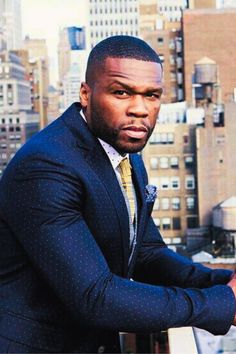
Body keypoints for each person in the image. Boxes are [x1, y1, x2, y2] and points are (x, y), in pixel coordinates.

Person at [0, 35, 235, 354]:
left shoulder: (126, 156)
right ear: (85, 93)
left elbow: (147, 253)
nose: (140, 109)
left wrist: (220, 283)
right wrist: (219, 304)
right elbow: (95, 296)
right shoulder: (46, 166)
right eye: (121, 92)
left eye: (152, 95)